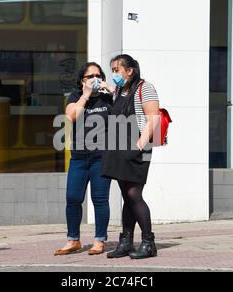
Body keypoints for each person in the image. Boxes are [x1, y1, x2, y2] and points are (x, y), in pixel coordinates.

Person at [102, 54, 160, 259]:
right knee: (126, 195)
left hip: (139, 149)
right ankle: (126, 241)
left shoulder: (145, 88)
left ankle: (148, 242)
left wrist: (138, 146)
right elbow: (112, 91)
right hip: (119, 148)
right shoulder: (119, 89)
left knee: (135, 194)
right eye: (113, 70)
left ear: (130, 71)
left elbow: (154, 119)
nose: (114, 74)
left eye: (117, 70)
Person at [54, 62, 114, 256]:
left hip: (101, 157)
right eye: (90, 76)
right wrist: (86, 95)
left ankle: (99, 240)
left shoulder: (108, 99)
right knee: (72, 198)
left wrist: (110, 88)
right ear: (82, 81)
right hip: (79, 158)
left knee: (100, 199)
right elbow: (70, 116)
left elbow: (124, 105)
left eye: (98, 75)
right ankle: (73, 240)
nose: (95, 79)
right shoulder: (75, 97)